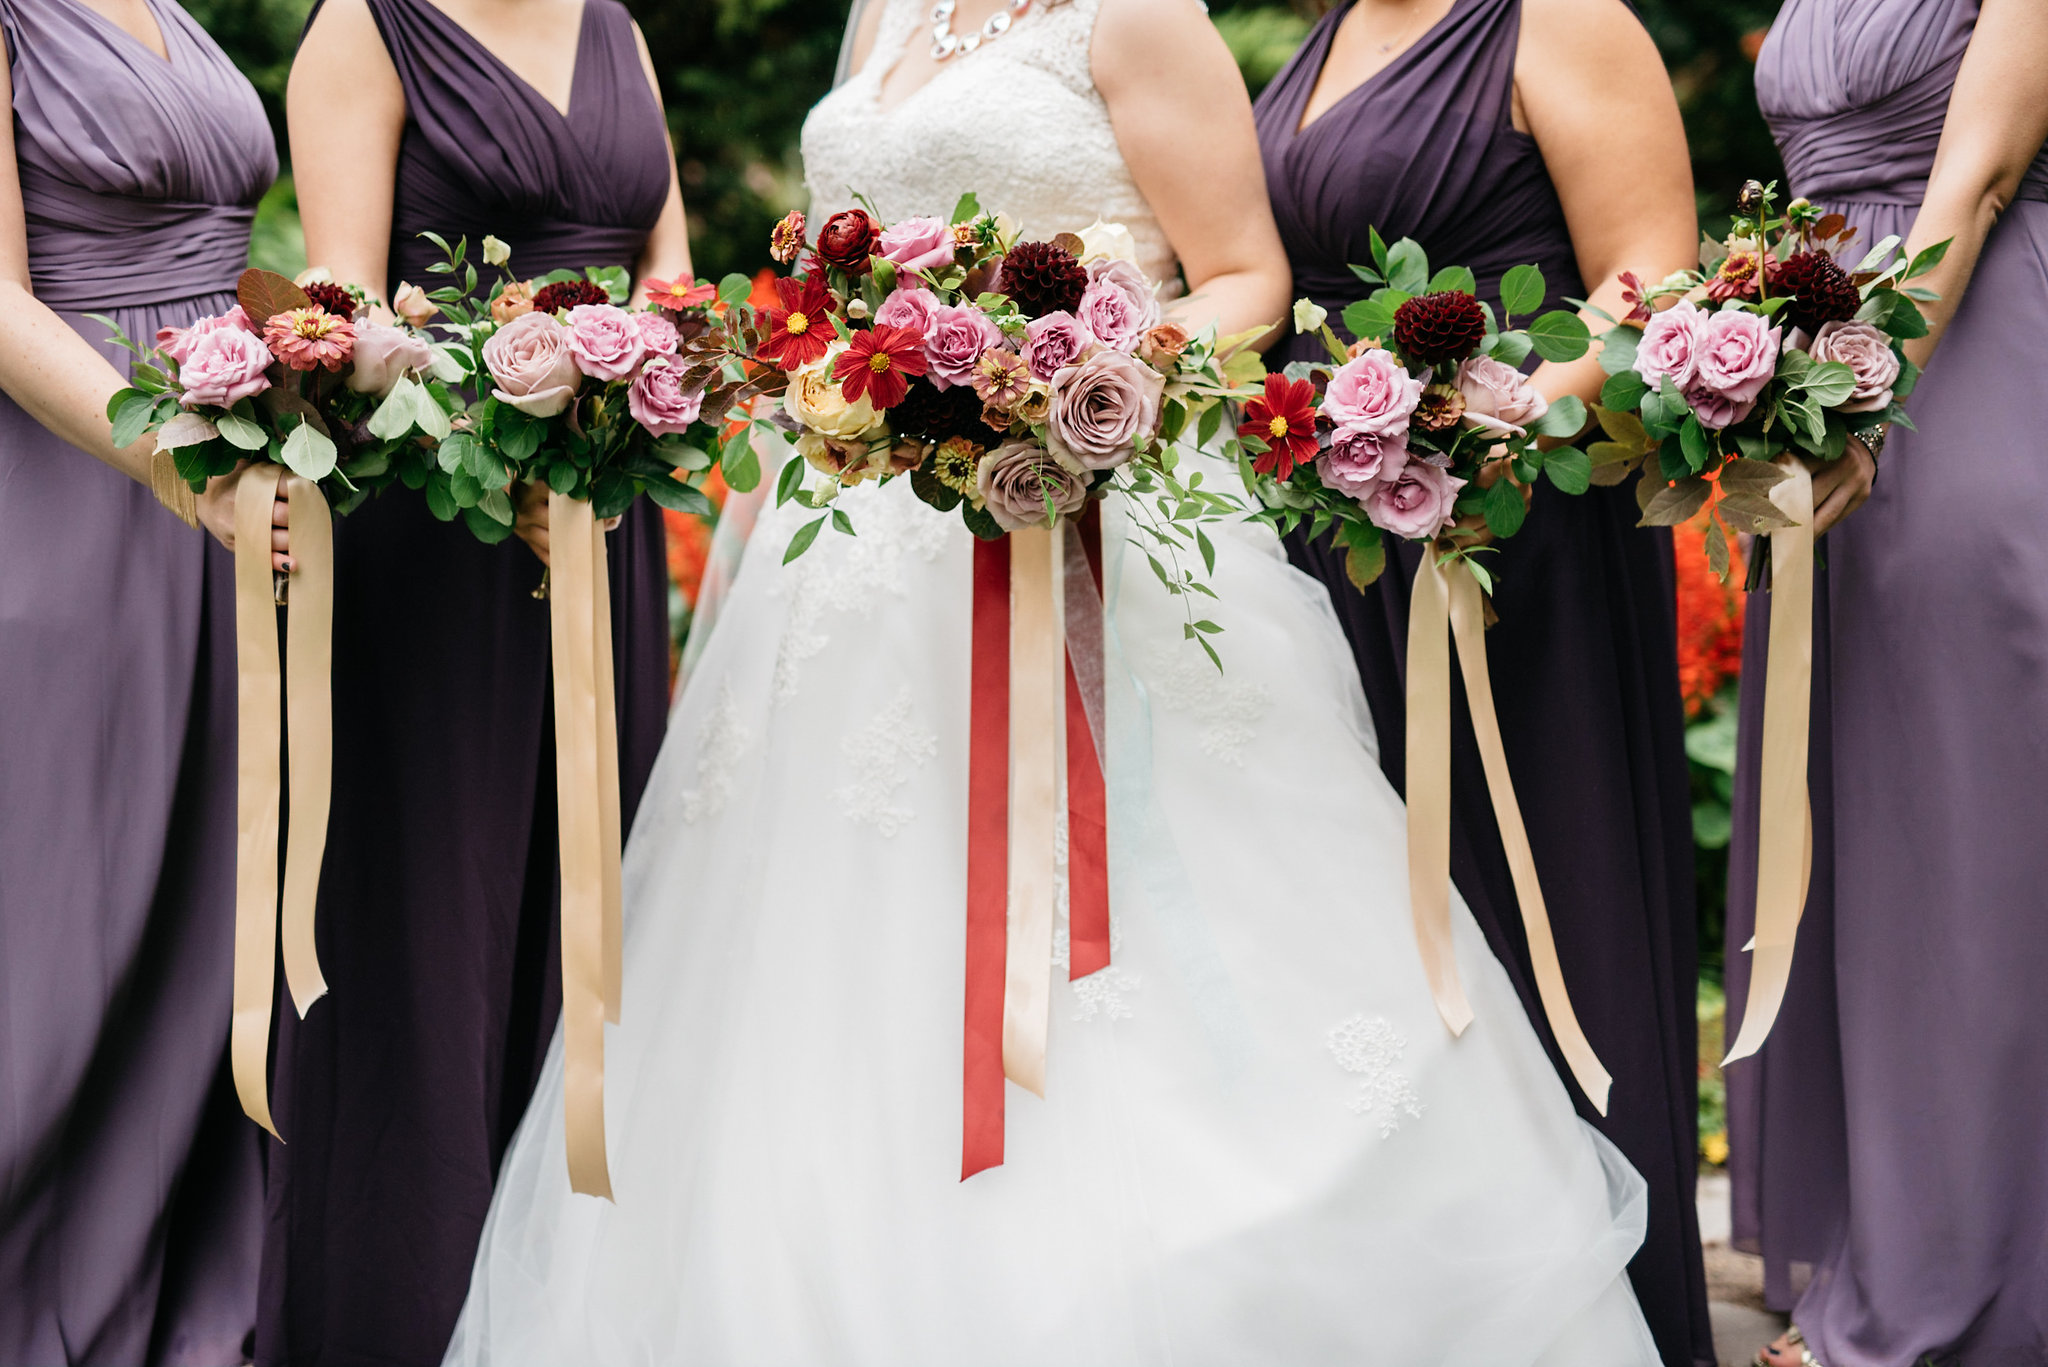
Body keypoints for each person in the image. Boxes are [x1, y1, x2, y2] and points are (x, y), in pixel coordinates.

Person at [440, 0, 1663, 1360]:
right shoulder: (879, 18)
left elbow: (1249, 280)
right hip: (853, 551)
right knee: (822, 934)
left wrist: (1064, 379)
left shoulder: (1136, 17)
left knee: (1141, 911)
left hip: (1084, 506)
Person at [1250, 2, 1711, 1360]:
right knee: (1375, 912)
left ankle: (1594, 1317)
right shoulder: (1324, 32)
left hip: (1515, 527)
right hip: (1337, 522)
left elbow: (1650, 286)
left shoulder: (1562, 21)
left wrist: (1487, 419)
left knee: (1530, 891)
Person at [267, 0, 690, 1359]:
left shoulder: (615, 27)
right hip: (437, 516)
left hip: (603, 514)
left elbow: (669, 272)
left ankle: (567, 1306)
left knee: (594, 899)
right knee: (430, 910)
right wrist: (476, 383)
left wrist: (648, 381)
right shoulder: (365, 29)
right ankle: (401, 1304)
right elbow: (336, 299)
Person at [1726, 1, 2048, 1363]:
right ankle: (1886, 1235)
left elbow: (1970, 173)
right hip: (1827, 377)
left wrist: (1864, 391)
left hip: (1963, 357)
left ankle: (1962, 1279)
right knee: (1861, 813)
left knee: (1970, 819)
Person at [0, 0, 280, 1359]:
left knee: (197, 928)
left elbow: (222, 264)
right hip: (80, 487)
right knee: (65, 932)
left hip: (219, 504)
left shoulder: (175, 11)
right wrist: (178, 464)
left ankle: (167, 1293)